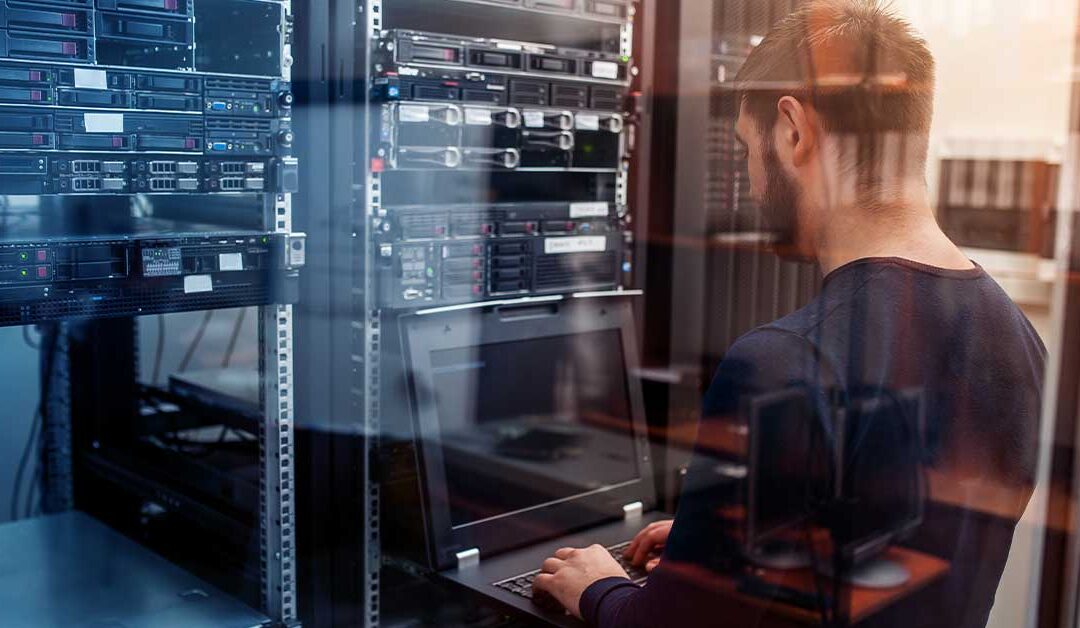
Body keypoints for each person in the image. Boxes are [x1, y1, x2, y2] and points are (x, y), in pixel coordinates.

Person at [532, 1, 1047, 626]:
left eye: (749, 148)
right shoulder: (1017, 337)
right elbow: (886, 546)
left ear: (794, 131)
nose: (750, 181)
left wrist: (599, 588)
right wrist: (715, 548)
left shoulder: (783, 362)